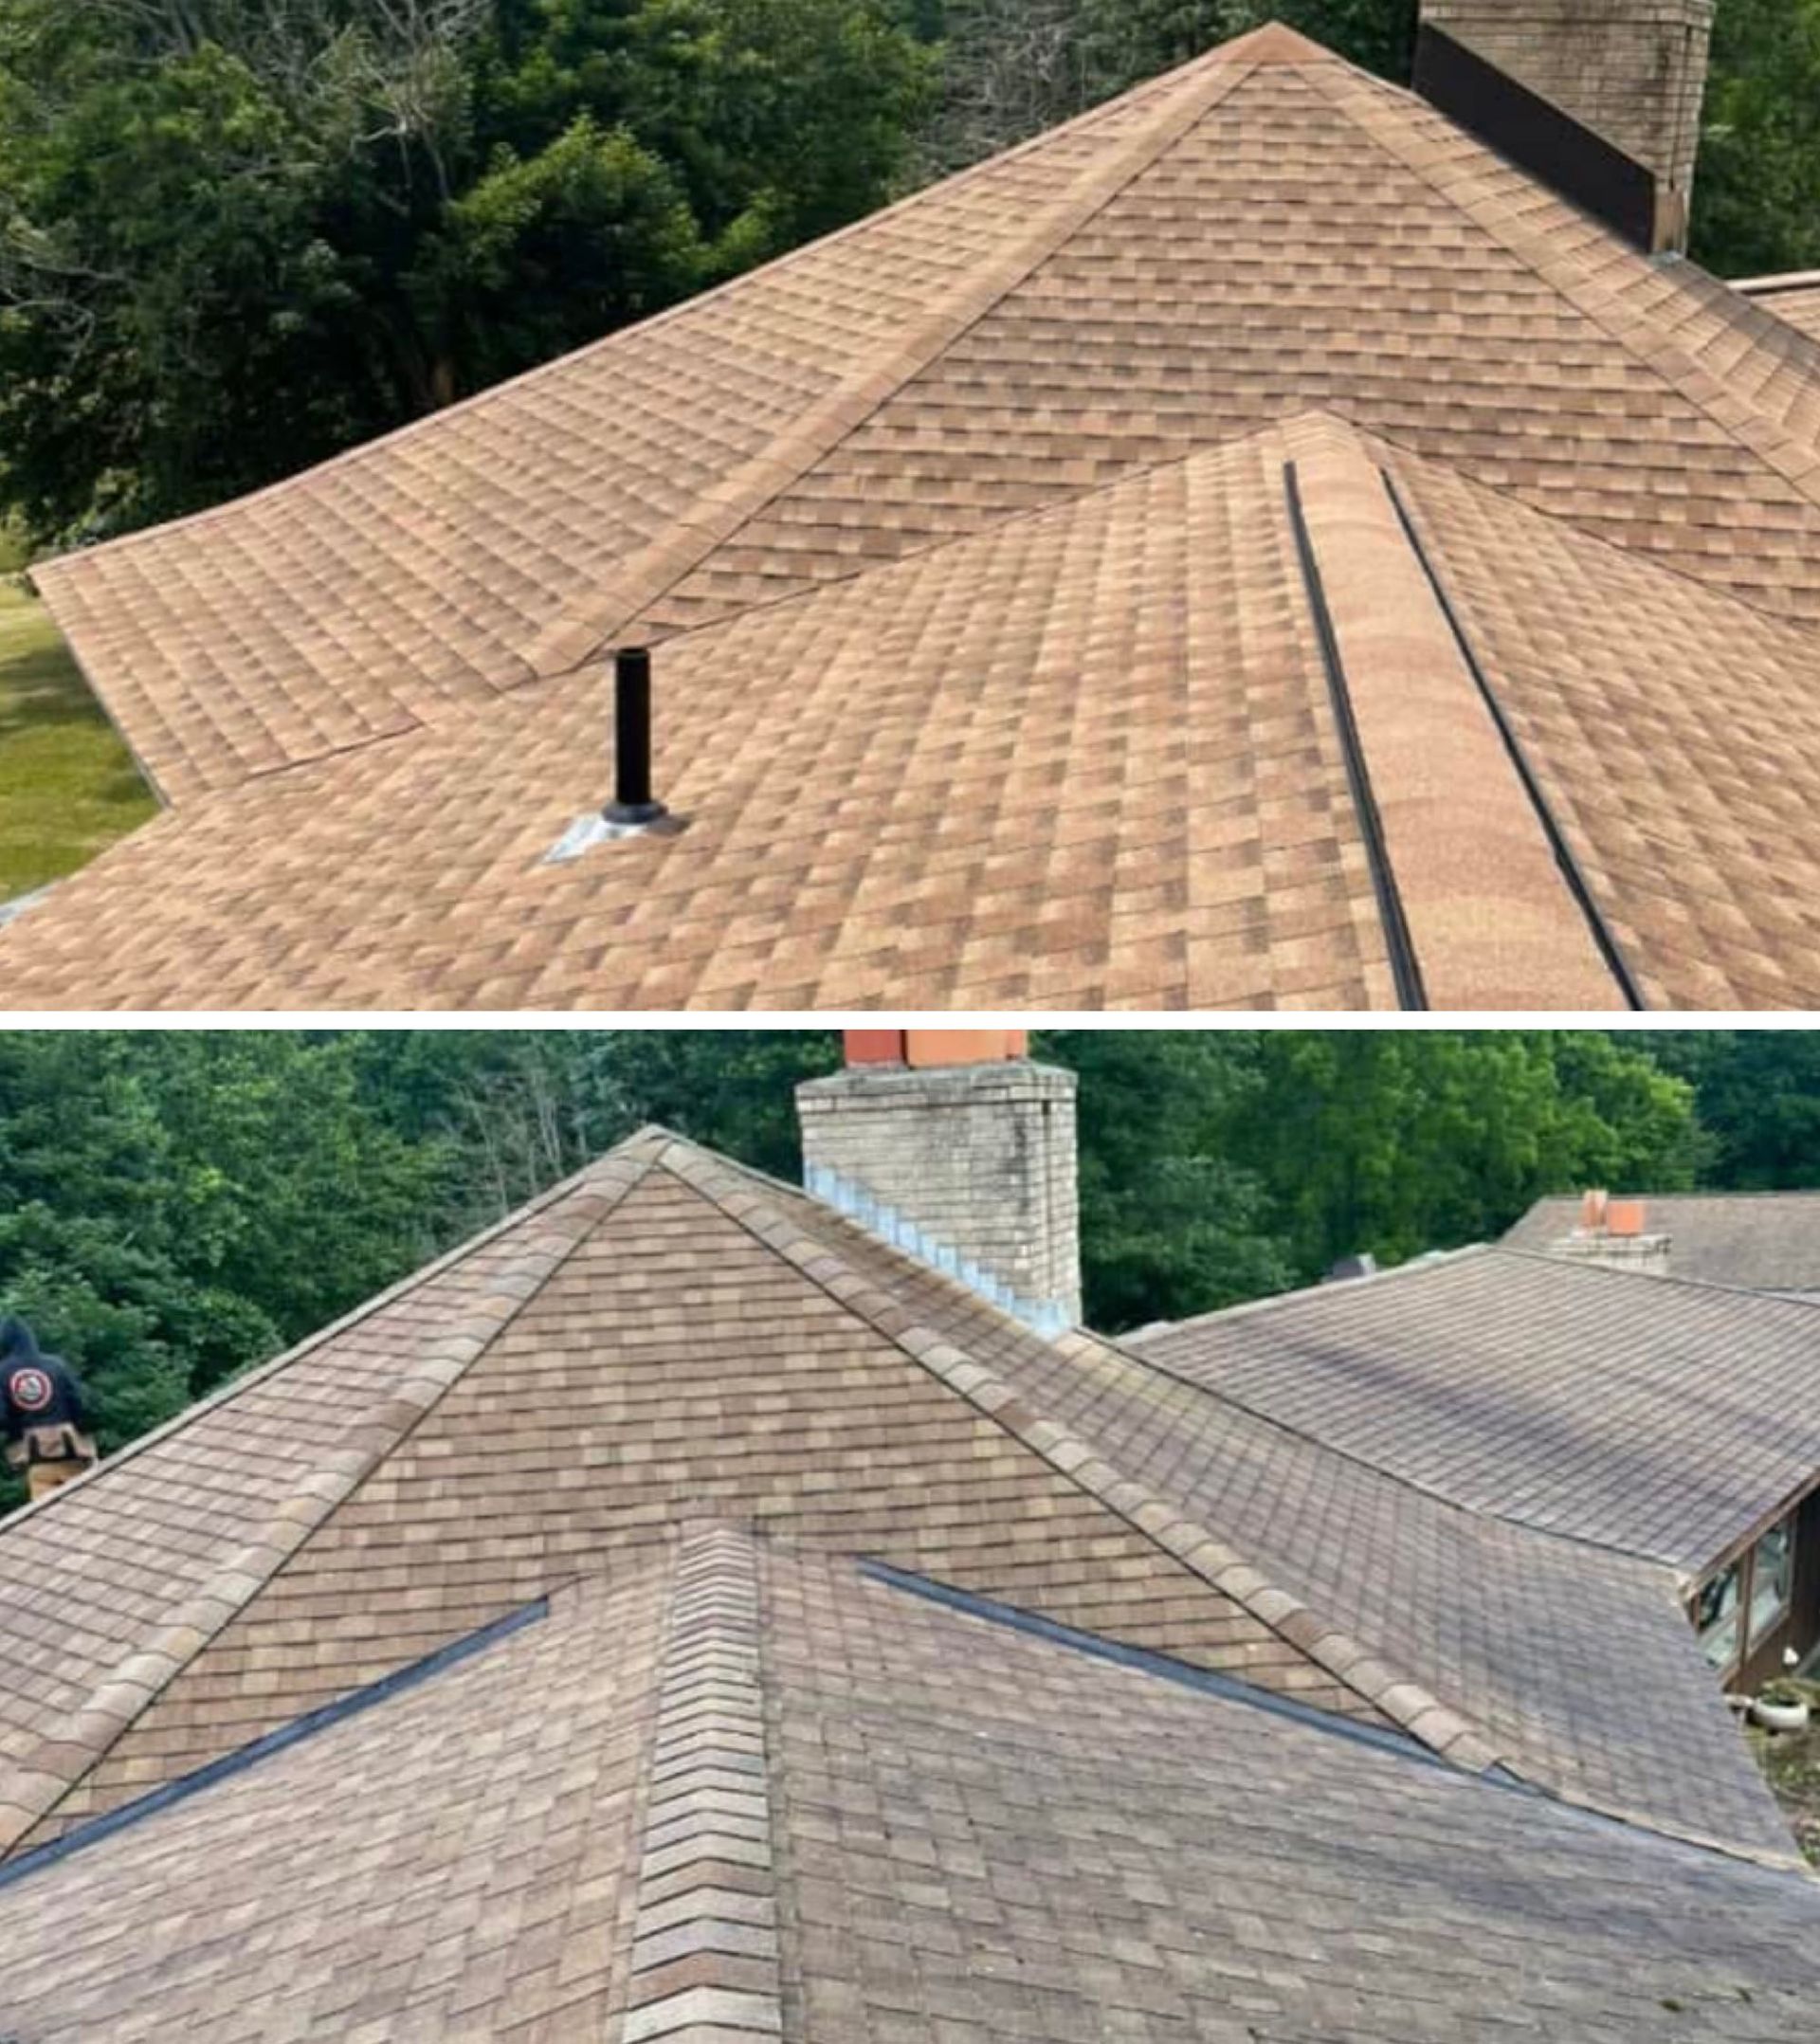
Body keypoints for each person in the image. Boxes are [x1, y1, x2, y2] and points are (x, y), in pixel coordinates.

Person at [1, 1316, 98, 1504]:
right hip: (73, 1450)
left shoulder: (2, 1372)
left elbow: (1, 1417)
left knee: (47, 1516)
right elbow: (81, 1403)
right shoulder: (56, 1365)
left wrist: (16, 1431)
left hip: (36, 1456)